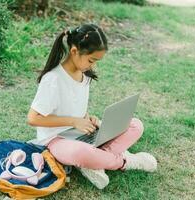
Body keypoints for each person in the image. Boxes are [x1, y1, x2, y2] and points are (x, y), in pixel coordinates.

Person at [27, 24, 157, 189]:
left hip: (81, 133)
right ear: (74, 51)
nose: (93, 66)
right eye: (91, 60)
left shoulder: (84, 75)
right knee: (80, 153)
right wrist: (75, 122)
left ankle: (94, 163)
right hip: (56, 140)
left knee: (135, 125)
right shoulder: (53, 79)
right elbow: (33, 118)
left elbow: (73, 106)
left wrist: (87, 119)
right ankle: (125, 161)